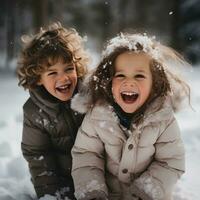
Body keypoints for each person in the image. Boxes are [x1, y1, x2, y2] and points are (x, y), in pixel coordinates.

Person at [70, 33, 191, 200]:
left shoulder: (163, 119)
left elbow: (171, 162)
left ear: (154, 83)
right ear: (109, 80)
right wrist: (93, 191)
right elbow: (86, 155)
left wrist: (146, 191)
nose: (129, 82)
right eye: (120, 75)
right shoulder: (97, 116)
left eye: (139, 76)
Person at [17, 22, 89, 199]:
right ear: (38, 78)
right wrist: (53, 194)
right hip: (63, 181)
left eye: (69, 68)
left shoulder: (91, 96)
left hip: (97, 176)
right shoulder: (34, 112)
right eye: (52, 73)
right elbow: (38, 157)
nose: (63, 78)